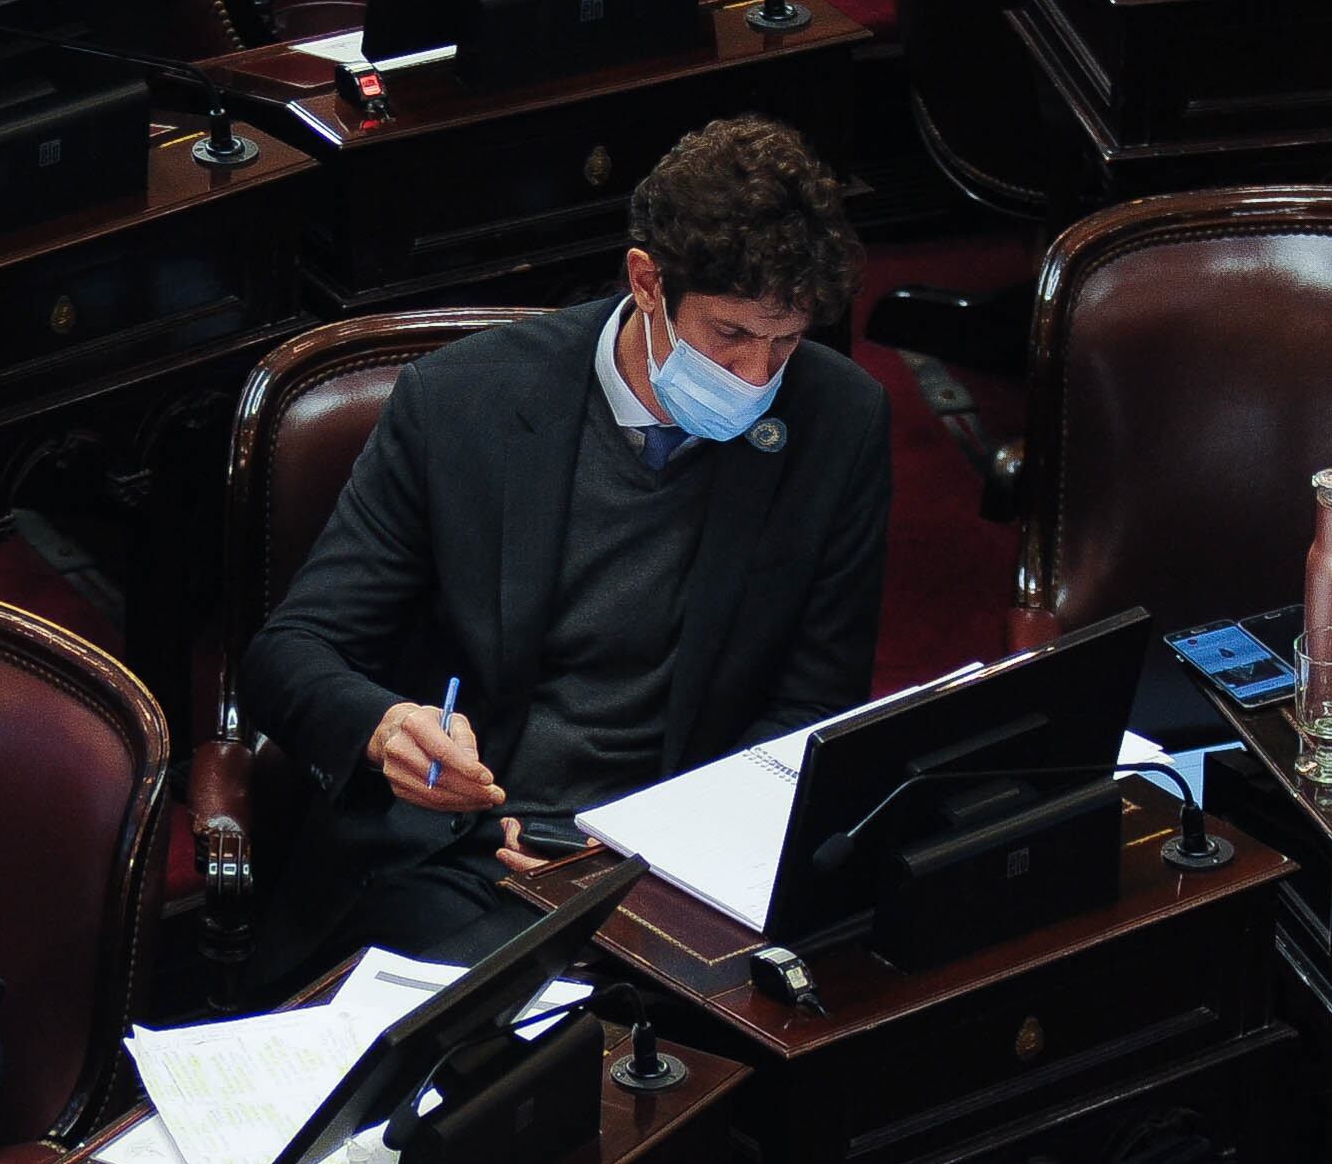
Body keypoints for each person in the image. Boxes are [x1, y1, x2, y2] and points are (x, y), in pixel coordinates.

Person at [234, 115, 889, 987]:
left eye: (786, 342)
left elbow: (812, 707)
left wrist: (643, 858)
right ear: (646, 280)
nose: (755, 378)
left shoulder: (836, 420)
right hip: (465, 859)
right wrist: (386, 727)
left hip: (679, 869)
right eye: (730, 336)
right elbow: (290, 653)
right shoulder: (462, 401)